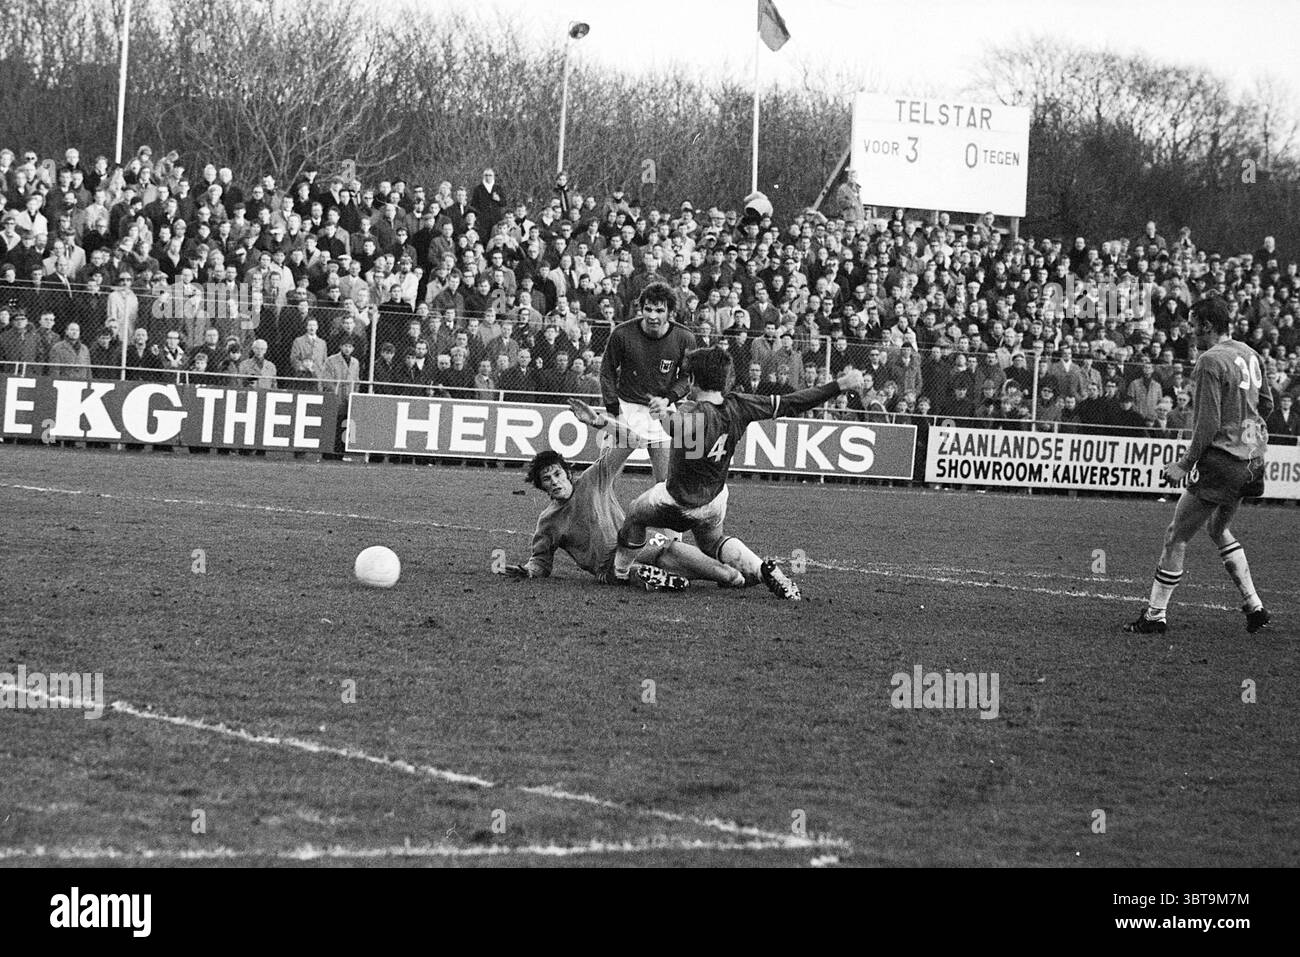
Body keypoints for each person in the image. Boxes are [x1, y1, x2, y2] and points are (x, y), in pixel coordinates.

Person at [612, 345, 865, 600]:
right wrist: (839, 385)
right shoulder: (740, 405)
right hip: (714, 501)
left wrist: (663, 416)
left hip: (677, 502)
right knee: (712, 542)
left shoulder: (694, 411)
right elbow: (793, 403)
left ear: (691, 381)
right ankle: (763, 570)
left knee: (635, 512)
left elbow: (680, 427)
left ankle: (620, 572)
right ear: (724, 379)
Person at [1124, 297, 1273, 635]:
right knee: (1218, 529)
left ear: (1206, 325)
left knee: (1176, 536)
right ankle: (1254, 606)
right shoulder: (1250, 353)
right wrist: (1246, 433)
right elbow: (1267, 404)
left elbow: (1208, 423)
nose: (1189, 331)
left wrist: (1185, 463)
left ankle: (1155, 616)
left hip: (1224, 461)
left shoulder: (1210, 361)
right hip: (1253, 461)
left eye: (1192, 324)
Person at [501, 399, 745, 591]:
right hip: (608, 567)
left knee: (668, 546)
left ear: (567, 473)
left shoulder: (592, 479)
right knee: (633, 570)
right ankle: (651, 576)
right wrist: (528, 570)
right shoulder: (548, 521)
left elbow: (632, 440)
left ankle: (731, 576)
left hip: (635, 541)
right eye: (547, 480)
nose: (554, 482)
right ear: (542, 488)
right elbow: (541, 561)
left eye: (556, 474)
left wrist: (598, 422)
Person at [598, 281, 696, 482]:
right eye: (648, 309)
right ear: (641, 309)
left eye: (659, 310)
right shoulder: (622, 333)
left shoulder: (684, 337)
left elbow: (687, 377)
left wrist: (668, 400)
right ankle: (597, 514)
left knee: (665, 484)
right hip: (627, 408)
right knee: (604, 478)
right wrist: (614, 411)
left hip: (661, 412)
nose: (653, 316)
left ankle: (661, 514)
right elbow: (606, 372)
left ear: (670, 312)